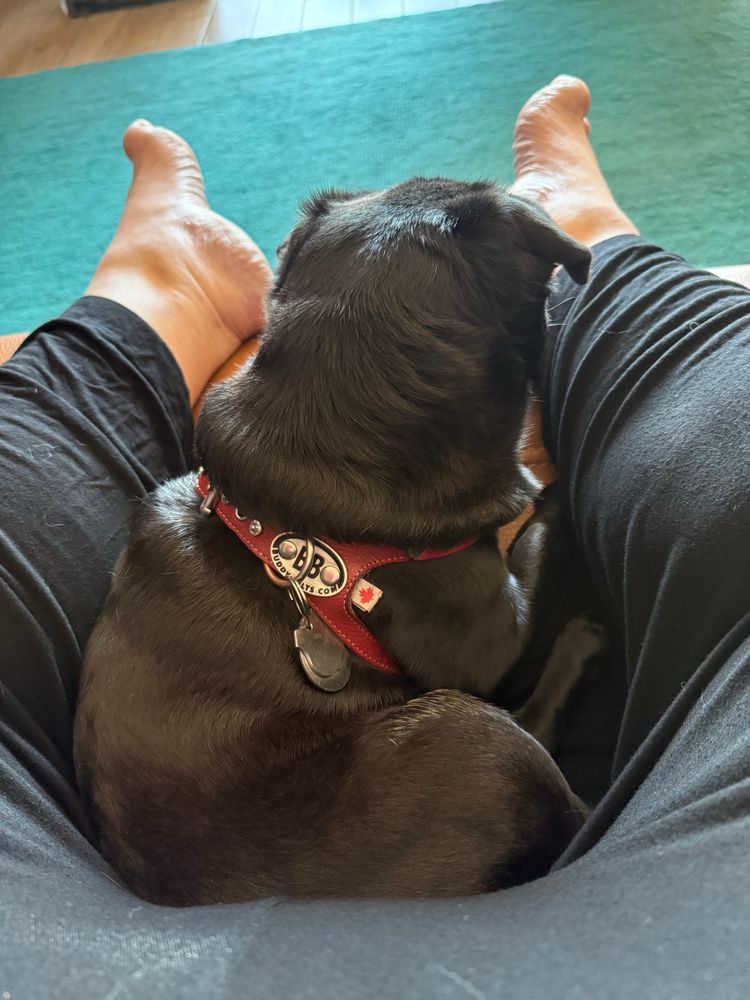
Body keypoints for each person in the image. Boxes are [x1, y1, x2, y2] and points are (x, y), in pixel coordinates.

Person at [0, 76, 747, 998]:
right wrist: (545, 522)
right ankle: (604, 254)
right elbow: (487, 656)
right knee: (718, 415)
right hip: (417, 878)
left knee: (28, 459)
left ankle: (157, 294)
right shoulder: (436, 566)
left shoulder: (179, 514)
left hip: (115, 916)